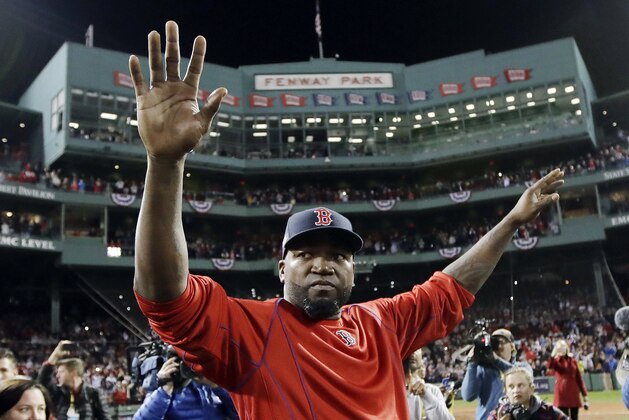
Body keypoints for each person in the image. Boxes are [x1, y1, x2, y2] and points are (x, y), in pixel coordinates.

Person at [130, 20, 565, 418]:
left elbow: (449, 288)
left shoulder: (381, 324)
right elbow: (166, 297)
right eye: (306, 253)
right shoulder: (249, 331)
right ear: (282, 267)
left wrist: (509, 222)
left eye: (338, 255)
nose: (323, 264)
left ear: (353, 269)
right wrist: (165, 163)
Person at [461, 328, 534, 420]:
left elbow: (520, 376)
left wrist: (496, 360)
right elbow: (468, 396)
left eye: (502, 342)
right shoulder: (483, 369)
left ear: (512, 346)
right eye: (494, 343)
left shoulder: (523, 367)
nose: (498, 347)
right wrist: (472, 364)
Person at [133, 356, 238, 419]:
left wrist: (216, 386)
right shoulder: (167, 384)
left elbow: (241, 416)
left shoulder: (213, 383)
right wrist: (164, 389)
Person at [37, 341, 110, 420]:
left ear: (73, 373)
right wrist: (55, 355)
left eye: (61, 372)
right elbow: (42, 382)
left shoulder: (94, 394)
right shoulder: (58, 392)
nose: (57, 375)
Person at [488, 367, 569, 420]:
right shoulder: (498, 414)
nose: (516, 390)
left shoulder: (549, 412)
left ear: (531, 388)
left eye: (521, 385)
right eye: (511, 386)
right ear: (505, 391)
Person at [403, 349, 454, 420]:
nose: (412, 352)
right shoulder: (390, 390)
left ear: (422, 360)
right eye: (409, 347)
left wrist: (426, 395)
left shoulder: (432, 390)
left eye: (416, 348)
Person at [547, 340, 588, 419]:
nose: (561, 349)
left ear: (566, 347)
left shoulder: (573, 361)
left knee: (575, 417)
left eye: (563, 347)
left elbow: (579, 378)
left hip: (573, 393)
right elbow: (550, 366)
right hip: (562, 394)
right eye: (559, 348)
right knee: (563, 417)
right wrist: (553, 353)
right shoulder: (556, 361)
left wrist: (584, 395)